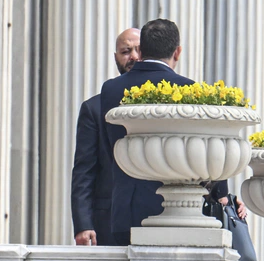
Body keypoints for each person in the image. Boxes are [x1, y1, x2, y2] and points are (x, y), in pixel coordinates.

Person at [98, 18, 229, 242]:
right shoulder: (191, 90)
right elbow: (206, 148)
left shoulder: (112, 89)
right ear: (177, 52)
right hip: (179, 212)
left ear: (142, 50)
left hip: (126, 210)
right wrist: (222, 193)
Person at [71, 28, 139, 246]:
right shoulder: (93, 108)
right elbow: (84, 171)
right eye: (126, 51)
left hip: (156, 221)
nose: (134, 57)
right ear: (116, 58)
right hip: (107, 224)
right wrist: (83, 224)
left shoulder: (166, 103)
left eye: (139, 50)